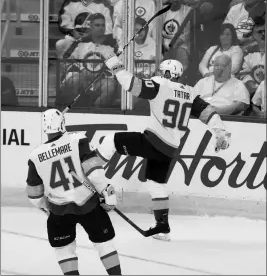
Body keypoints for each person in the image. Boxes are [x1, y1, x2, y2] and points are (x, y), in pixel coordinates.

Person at [94, 52, 231, 241]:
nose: (157, 74)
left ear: (167, 73)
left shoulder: (161, 85)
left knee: (110, 141)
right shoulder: (190, 92)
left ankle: (90, 173)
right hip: (170, 149)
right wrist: (221, 132)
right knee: (156, 184)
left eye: (160, 71)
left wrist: (115, 65)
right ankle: (162, 227)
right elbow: (210, 113)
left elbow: (133, 85)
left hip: (154, 142)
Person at [26, 109, 122, 275]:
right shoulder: (78, 140)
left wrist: (47, 208)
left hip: (58, 212)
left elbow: (34, 195)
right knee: (105, 244)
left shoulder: (35, 156)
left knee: (64, 251)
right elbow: (94, 172)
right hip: (89, 206)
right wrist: (106, 191)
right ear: (63, 124)